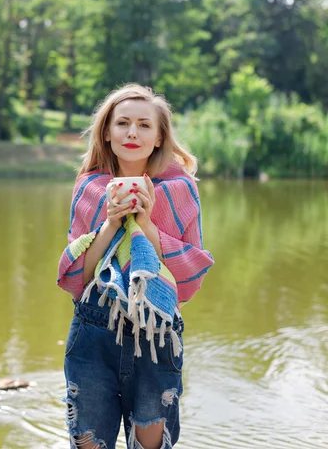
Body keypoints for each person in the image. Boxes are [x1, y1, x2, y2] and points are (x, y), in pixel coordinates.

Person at [57, 84, 214, 449]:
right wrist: (111, 223)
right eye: (122, 123)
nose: (132, 132)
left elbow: (189, 278)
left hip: (156, 334)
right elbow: (79, 277)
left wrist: (146, 225)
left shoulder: (181, 189)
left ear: (159, 137)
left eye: (144, 125)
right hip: (94, 331)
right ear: (107, 133)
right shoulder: (89, 187)